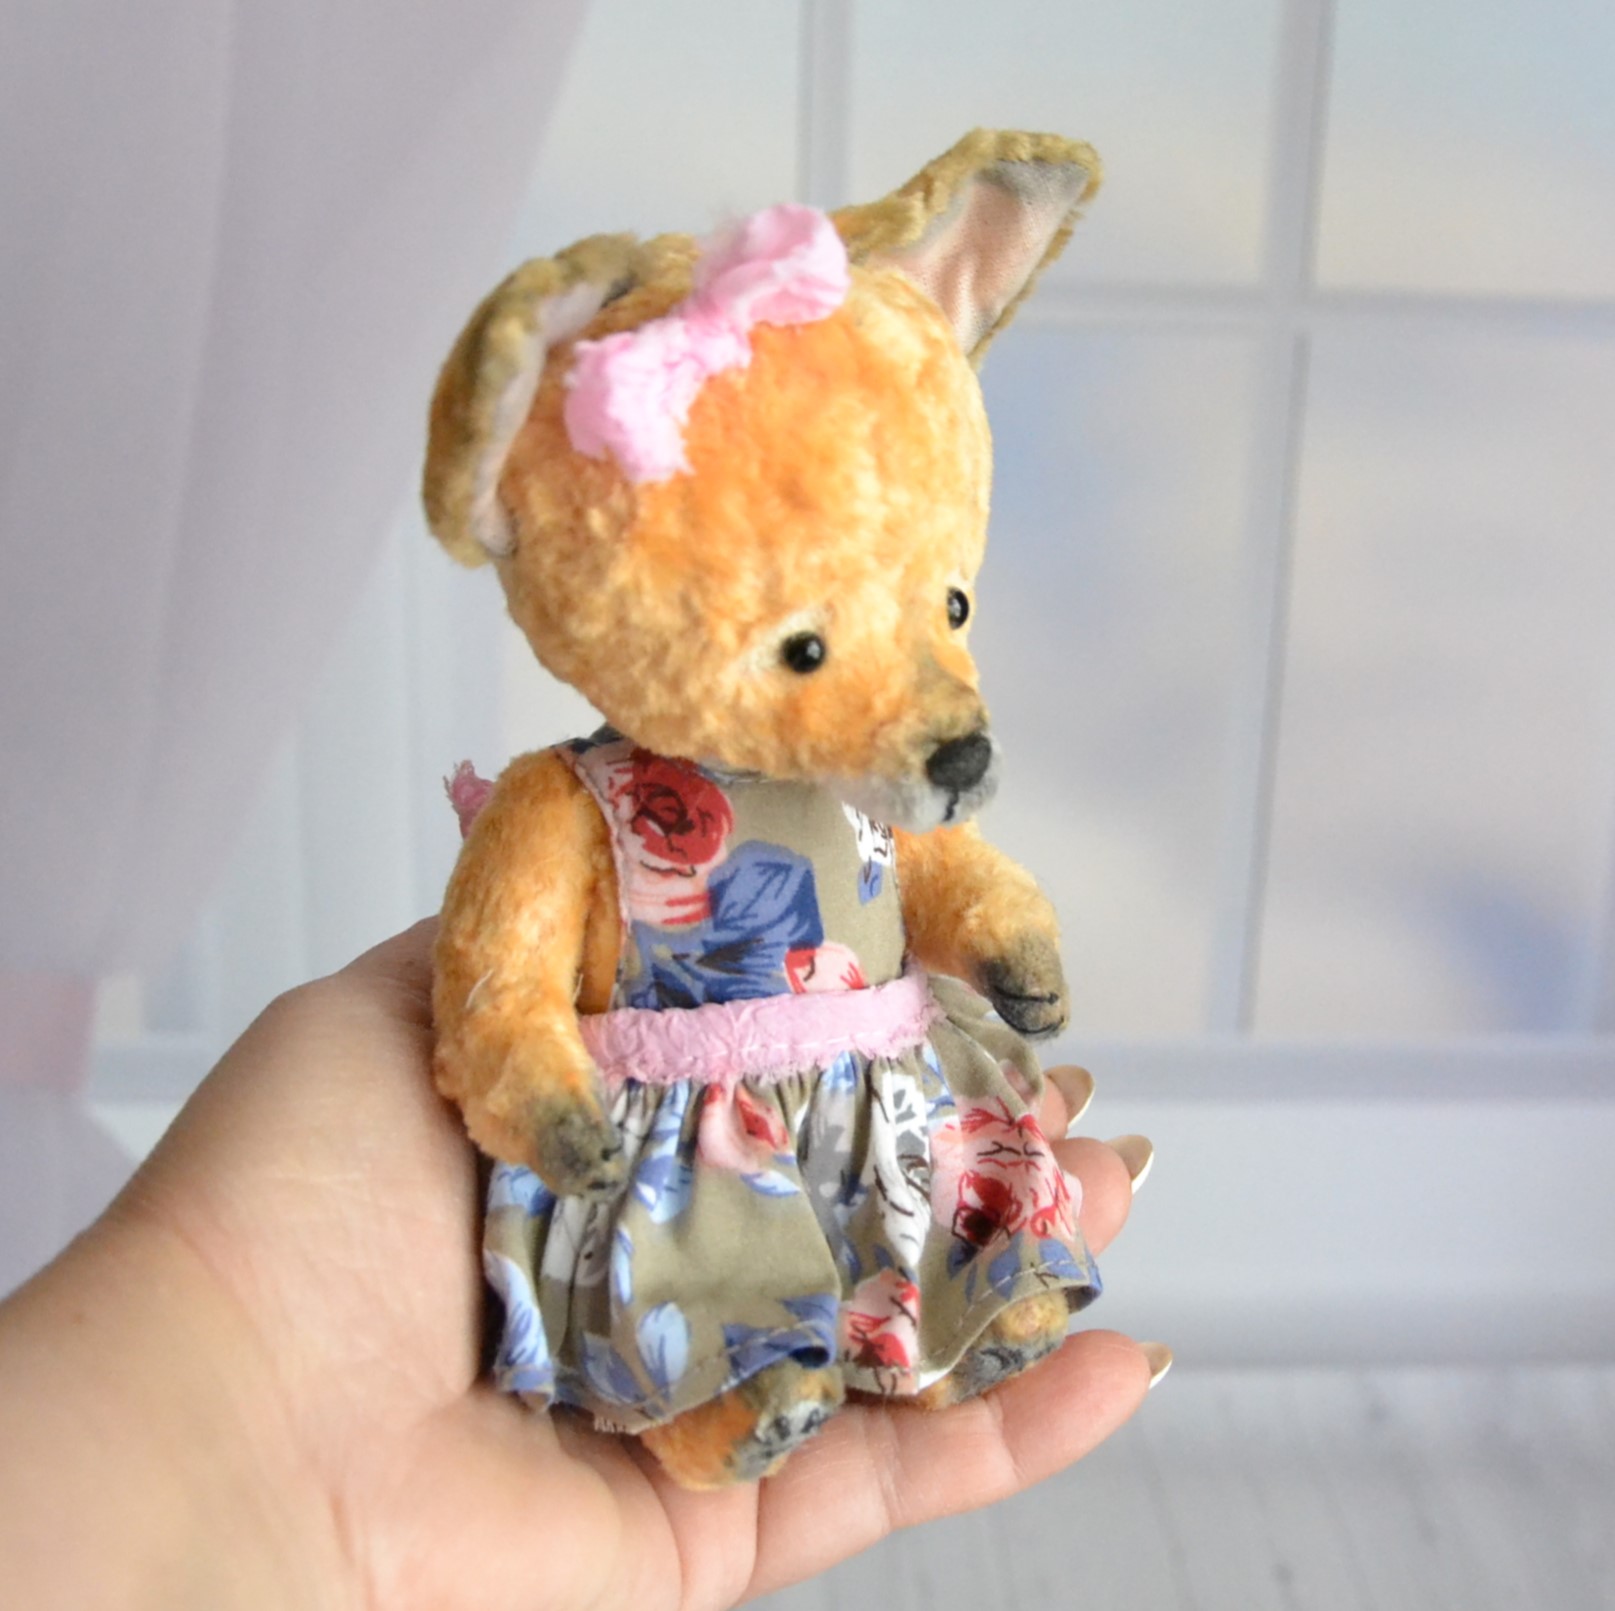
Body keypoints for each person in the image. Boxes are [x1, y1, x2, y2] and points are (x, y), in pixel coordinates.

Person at [0, 919, 1163, 1610]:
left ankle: (985, 1297)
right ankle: (718, 1403)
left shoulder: (866, 778)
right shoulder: (573, 795)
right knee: (684, 1271)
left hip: (863, 1076)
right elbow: (509, 937)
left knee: (917, 1190)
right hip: (651, 1111)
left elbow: (951, 882)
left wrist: (995, 931)